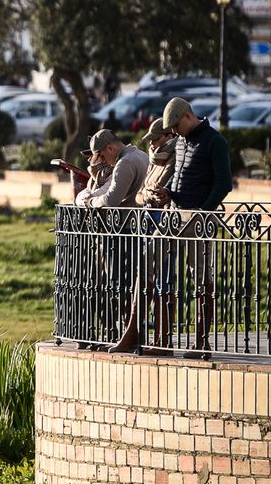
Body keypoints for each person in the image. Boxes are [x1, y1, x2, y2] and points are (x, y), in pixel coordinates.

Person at [150, 96, 232, 356]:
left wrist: (203, 212)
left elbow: (223, 184)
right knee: (149, 262)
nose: (173, 132)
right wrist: (169, 193)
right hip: (175, 215)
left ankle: (201, 341)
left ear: (187, 116)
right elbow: (180, 177)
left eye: (175, 125)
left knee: (200, 279)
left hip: (198, 220)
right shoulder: (181, 142)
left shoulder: (215, 141)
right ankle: (155, 337)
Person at [72, 129, 150, 348]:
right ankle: (129, 333)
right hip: (135, 228)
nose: (104, 161)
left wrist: (89, 203)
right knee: (130, 282)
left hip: (122, 228)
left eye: (103, 156)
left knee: (120, 283)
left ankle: (125, 334)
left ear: (110, 148)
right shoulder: (141, 155)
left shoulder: (125, 163)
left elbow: (111, 199)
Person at [112, 119, 178, 353]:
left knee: (164, 282)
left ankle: (163, 340)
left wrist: (156, 195)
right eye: (150, 141)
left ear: (169, 137)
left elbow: (170, 193)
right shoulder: (153, 161)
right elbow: (140, 195)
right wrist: (147, 195)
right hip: (148, 223)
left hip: (165, 223)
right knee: (144, 279)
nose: (153, 145)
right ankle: (135, 333)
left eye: (157, 140)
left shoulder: (175, 159)